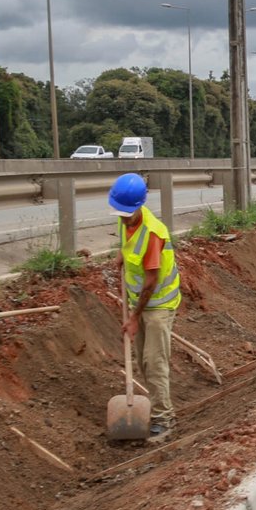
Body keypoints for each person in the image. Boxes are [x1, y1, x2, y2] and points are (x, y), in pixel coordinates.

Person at [108, 173, 182, 439]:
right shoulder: (125, 219)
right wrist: (120, 255)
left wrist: (135, 317)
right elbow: (127, 243)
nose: (123, 216)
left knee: (154, 362)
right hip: (140, 301)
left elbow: (150, 282)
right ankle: (156, 409)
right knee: (141, 361)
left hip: (158, 304)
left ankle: (165, 418)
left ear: (139, 206)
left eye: (127, 212)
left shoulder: (152, 233)